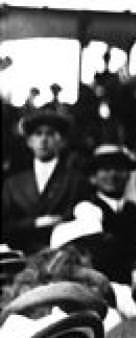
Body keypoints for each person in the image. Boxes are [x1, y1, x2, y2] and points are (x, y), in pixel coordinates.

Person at [2, 108, 90, 254]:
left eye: (50, 134)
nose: (43, 139)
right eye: (38, 134)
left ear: (61, 141)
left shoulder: (75, 181)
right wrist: (35, 223)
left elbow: (83, 221)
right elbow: (5, 226)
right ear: (29, 142)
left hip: (63, 257)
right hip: (21, 257)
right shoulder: (12, 184)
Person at [84, 144, 136, 284]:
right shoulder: (84, 213)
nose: (113, 175)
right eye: (105, 169)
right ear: (93, 178)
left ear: (128, 175)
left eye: (119, 169)